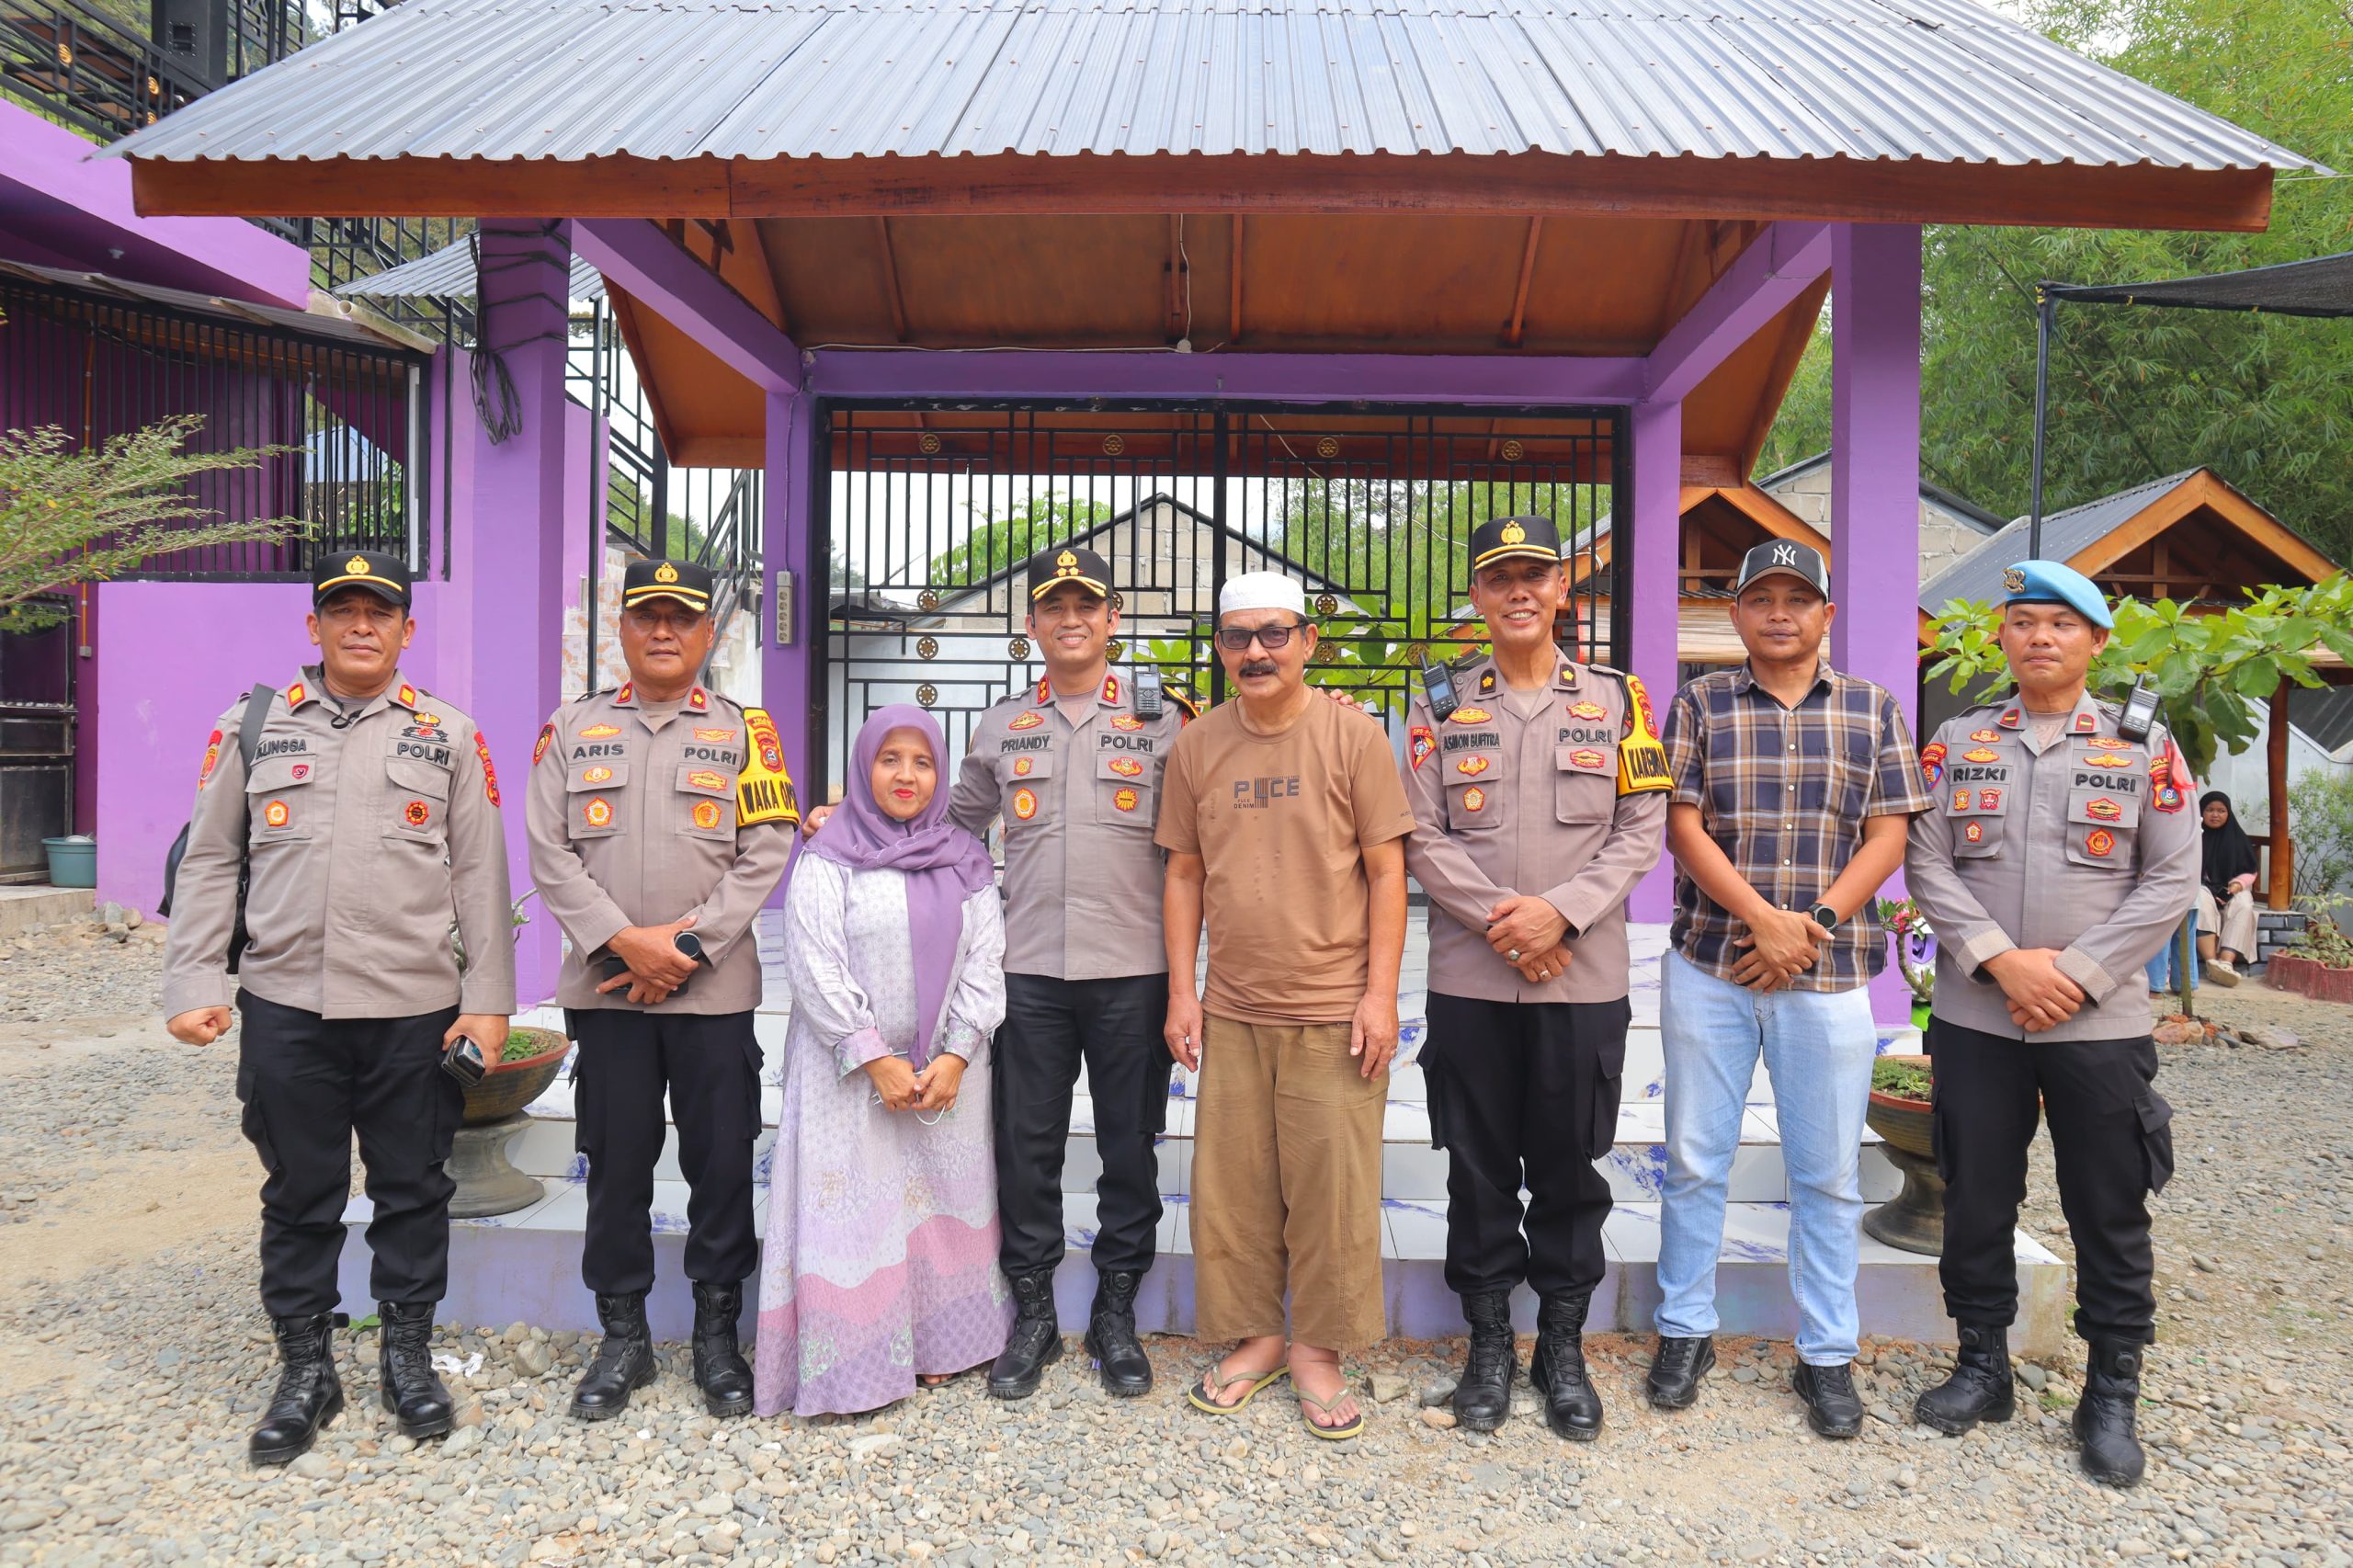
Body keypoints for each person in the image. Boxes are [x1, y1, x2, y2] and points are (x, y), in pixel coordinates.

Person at [162, 550, 515, 1465]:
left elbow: (481, 876)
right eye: (342, 610)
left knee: (414, 1188)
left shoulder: (448, 735)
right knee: (299, 1191)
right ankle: (305, 1369)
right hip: (288, 1006)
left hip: (413, 1011)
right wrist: (195, 980)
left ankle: (406, 1359)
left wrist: (487, 1002)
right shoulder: (252, 726)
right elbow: (210, 859)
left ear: (406, 629)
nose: (361, 625)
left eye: (379, 611)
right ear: (313, 625)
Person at [1905, 560, 2199, 1488]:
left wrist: (2072, 975)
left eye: (2062, 624)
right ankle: (1980, 1365)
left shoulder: (2145, 745)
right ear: (2000, 635)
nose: (2040, 637)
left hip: (2096, 1021)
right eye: (2024, 621)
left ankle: (2109, 1392)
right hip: (1978, 1015)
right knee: (1975, 1195)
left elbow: (2171, 878)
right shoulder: (1956, 741)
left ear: (2096, 642)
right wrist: (2003, 961)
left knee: (2108, 1204)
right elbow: (1926, 862)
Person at [1647, 540, 1929, 1439]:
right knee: (1696, 1160)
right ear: (1734, 613)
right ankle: (1683, 1330)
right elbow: (1680, 826)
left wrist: (1809, 924)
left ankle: (1827, 1351)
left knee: (1826, 1173)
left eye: (1796, 599)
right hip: (1710, 966)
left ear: (1825, 615)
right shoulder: (1698, 704)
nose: (1779, 613)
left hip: (1829, 974)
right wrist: (1761, 921)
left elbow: (1888, 834)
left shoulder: (1872, 707)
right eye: (1760, 597)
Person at [1400, 515, 1668, 1439]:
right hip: (1472, 981)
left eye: (1535, 575)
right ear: (1478, 595)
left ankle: (1560, 1346)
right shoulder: (1439, 704)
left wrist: (1562, 913)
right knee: (1476, 1171)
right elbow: (1419, 832)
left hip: (1579, 977)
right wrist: (1508, 924)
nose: (1518, 591)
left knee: (1569, 1169)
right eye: (1499, 577)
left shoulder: (1619, 700)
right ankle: (1486, 1346)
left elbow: (1640, 827)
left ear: (1561, 590)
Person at [526, 558, 799, 1422]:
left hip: (711, 993)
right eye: (647, 616)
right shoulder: (572, 728)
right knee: (615, 1164)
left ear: (707, 634)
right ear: (624, 629)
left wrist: (682, 947)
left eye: (682, 618)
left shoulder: (746, 730)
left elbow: (768, 845)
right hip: (608, 991)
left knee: (721, 1163)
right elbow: (547, 849)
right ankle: (625, 1338)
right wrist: (624, 943)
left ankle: (718, 1337)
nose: (664, 632)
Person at [1157, 572, 1414, 1439]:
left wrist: (1380, 996)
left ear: (1309, 642)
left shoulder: (1352, 737)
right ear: (1220, 649)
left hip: (1333, 1007)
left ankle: (1319, 1351)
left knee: (1332, 1193)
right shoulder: (1198, 746)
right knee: (1232, 1189)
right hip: (1232, 1007)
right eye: (1237, 637)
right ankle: (1259, 1337)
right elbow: (1183, 873)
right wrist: (1183, 992)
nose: (1255, 652)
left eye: (1274, 634)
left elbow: (1388, 871)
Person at [754, 707, 1010, 1416]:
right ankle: (855, 1367)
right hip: (847, 1076)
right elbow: (814, 964)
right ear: (863, 766)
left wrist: (957, 1053)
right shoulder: (828, 854)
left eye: (922, 762)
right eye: (889, 759)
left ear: (941, 773)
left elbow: (986, 959)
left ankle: (940, 1345)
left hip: (946, 1075)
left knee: (939, 1204)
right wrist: (874, 1058)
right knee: (855, 1213)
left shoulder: (964, 857)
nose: (906, 776)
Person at [2194, 790, 2260, 986]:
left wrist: (2238, 884)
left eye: (2221, 811)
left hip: (2231, 888)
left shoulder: (2237, 838)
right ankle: (2211, 962)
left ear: (2228, 813)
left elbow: (2250, 870)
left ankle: (2225, 963)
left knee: (2245, 903)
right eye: (2210, 810)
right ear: (2201, 812)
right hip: (2201, 886)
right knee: (2199, 899)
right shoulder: (2193, 835)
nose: (2215, 815)